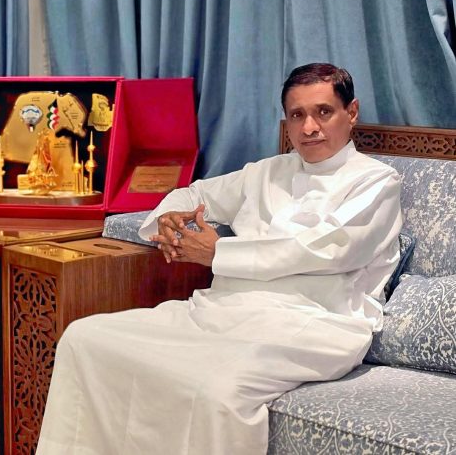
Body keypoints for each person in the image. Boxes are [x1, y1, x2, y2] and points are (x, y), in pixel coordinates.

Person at [36, 63, 403, 454]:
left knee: (215, 390)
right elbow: (194, 194)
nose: (309, 127)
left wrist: (217, 253)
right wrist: (169, 218)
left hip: (316, 323)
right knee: (84, 338)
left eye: (323, 112)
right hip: (222, 310)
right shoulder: (265, 172)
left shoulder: (376, 181)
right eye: (298, 115)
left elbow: (324, 250)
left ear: (352, 112)